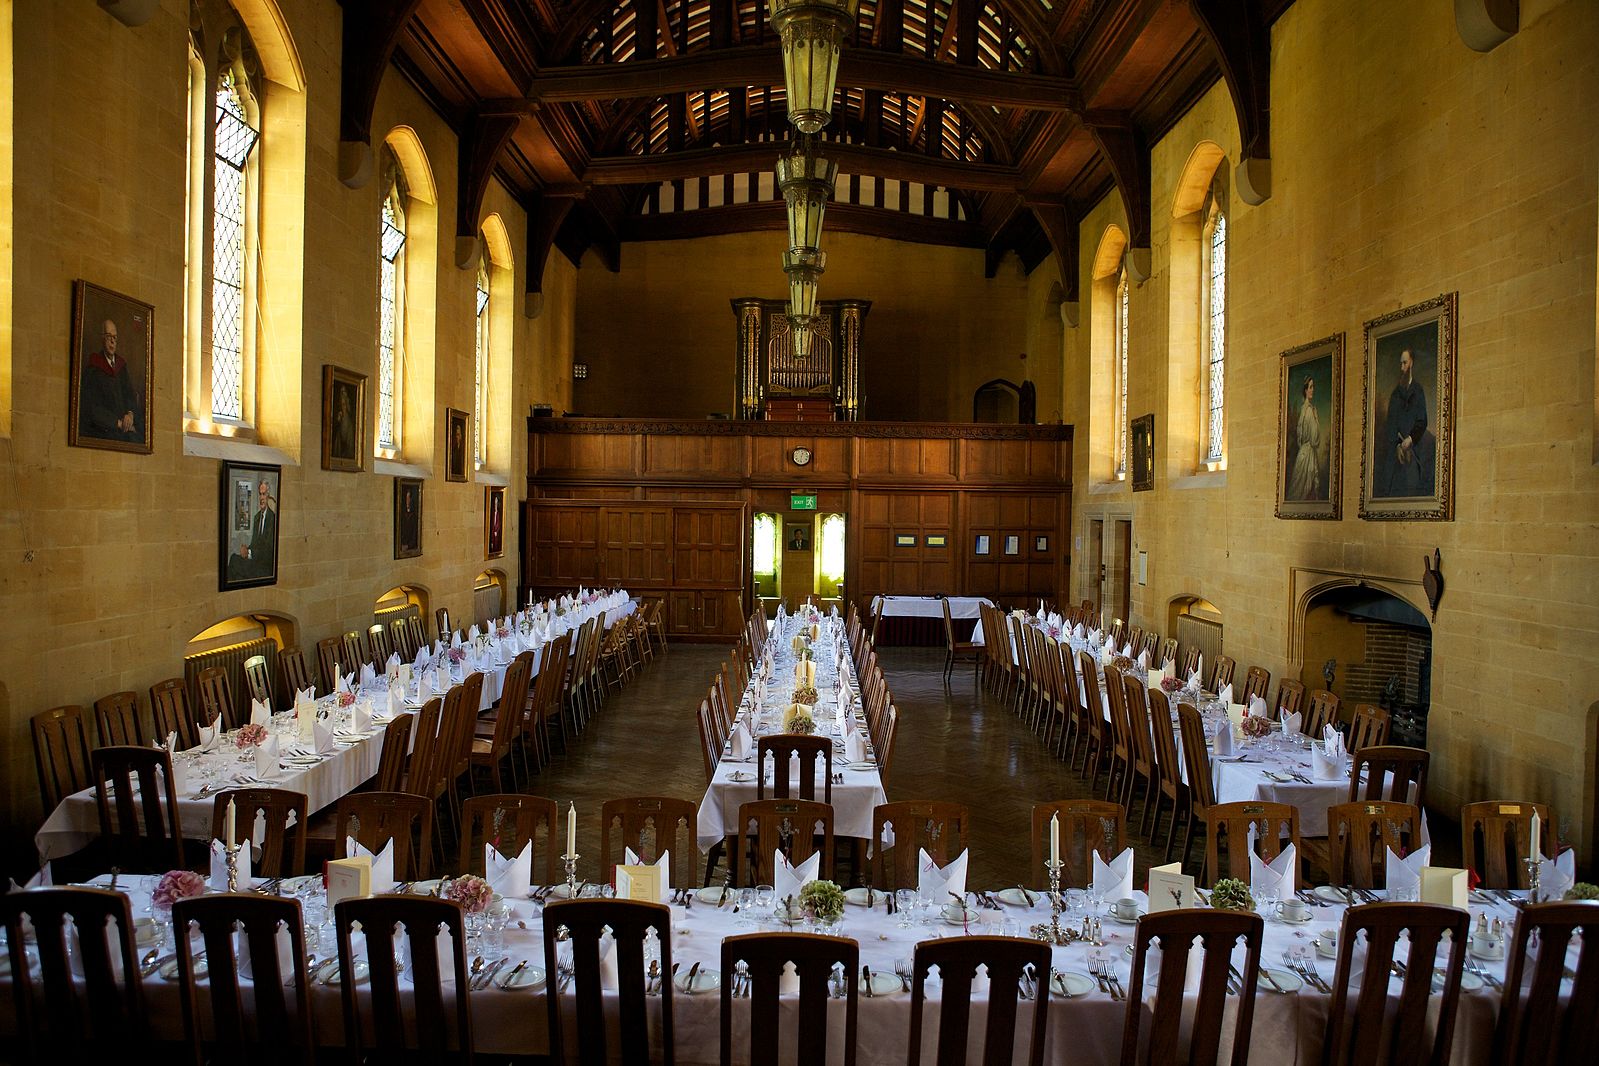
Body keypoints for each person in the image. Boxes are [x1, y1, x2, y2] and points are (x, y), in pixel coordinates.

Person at [1376, 346, 1431, 498]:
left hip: (1414, 447)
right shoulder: (1395, 394)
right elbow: (1391, 424)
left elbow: (1422, 420)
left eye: (1405, 363)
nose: (1402, 368)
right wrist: (1398, 445)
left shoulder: (1418, 390)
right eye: (1401, 364)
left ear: (1411, 363)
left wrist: (1410, 439)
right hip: (1397, 449)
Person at [78, 318, 141, 443]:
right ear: (102, 339)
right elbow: (91, 407)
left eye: (115, 337)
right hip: (104, 429)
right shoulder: (94, 367)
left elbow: (129, 395)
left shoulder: (121, 366)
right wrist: (117, 423)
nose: (112, 341)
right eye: (108, 337)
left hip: (125, 428)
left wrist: (130, 414)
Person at [1286, 374, 1323, 501]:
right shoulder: (1309, 411)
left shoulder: (1304, 409)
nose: (1313, 390)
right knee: (1304, 487)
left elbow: (1300, 436)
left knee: (1303, 487)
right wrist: (1316, 418)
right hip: (1308, 453)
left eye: (1313, 387)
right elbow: (1314, 439)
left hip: (1303, 452)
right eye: (1310, 387)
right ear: (1306, 390)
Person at [235, 478, 277, 578]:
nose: (261, 498)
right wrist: (246, 550)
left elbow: (268, 549)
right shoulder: (257, 517)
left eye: (264, 494)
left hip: (264, 564)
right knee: (234, 560)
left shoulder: (273, 518)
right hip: (254, 559)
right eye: (260, 494)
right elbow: (254, 544)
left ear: (268, 496)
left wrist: (249, 553)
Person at [331, 383, 356, 458]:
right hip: (342, 419)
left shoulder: (347, 400)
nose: (342, 393)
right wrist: (339, 415)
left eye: (344, 391)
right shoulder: (339, 401)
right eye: (341, 391)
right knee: (341, 437)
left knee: (347, 438)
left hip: (347, 419)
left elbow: (349, 410)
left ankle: (345, 453)